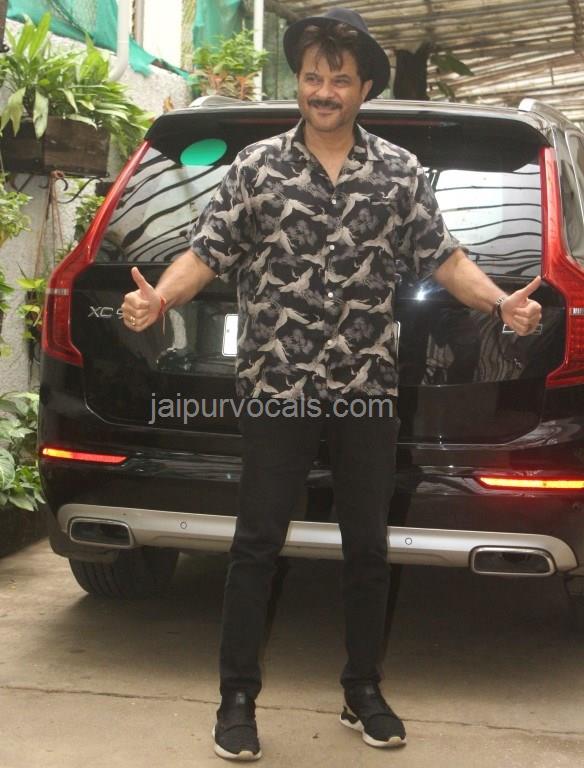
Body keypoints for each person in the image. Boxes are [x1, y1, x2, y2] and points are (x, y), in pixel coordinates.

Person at [122, 8, 542, 761]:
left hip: (364, 386)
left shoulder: (398, 172)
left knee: (367, 547)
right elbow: (208, 251)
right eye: (313, 77)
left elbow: (444, 256)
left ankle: (362, 690)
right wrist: (161, 299)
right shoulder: (257, 167)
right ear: (301, 83)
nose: (323, 90)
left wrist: (499, 303)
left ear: (364, 88)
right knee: (256, 544)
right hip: (275, 386)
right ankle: (236, 699)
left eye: (339, 79)